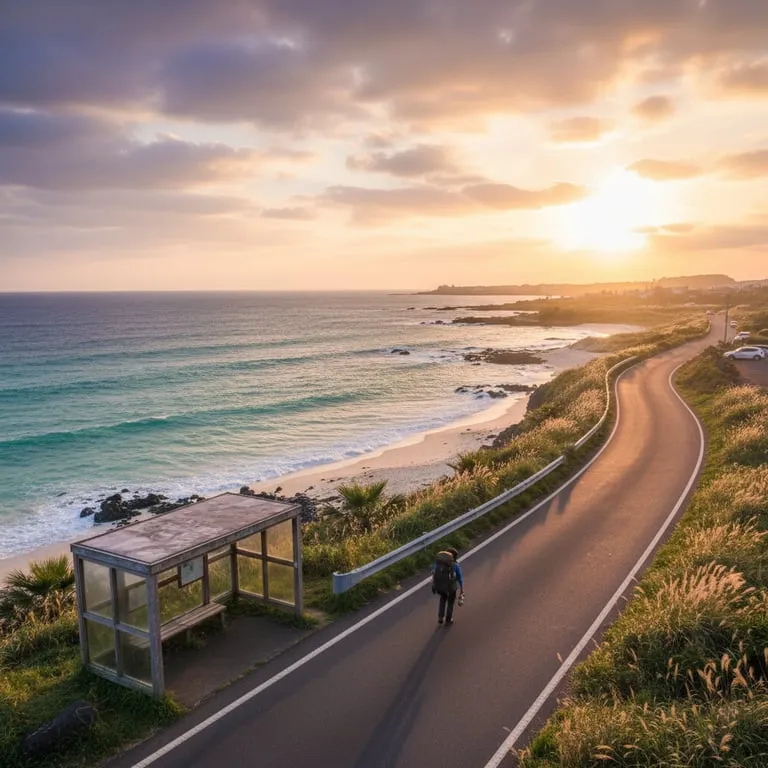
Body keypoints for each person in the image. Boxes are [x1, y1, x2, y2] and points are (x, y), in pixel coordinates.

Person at [431, 547, 464, 625]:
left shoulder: (438, 564)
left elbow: (433, 573)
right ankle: (448, 619)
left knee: (442, 599)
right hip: (451, 587)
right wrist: (462, 589)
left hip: (440, 586)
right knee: (450, 602)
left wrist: (434, 584)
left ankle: (440, 617)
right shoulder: (455, 565)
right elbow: (460, 578)